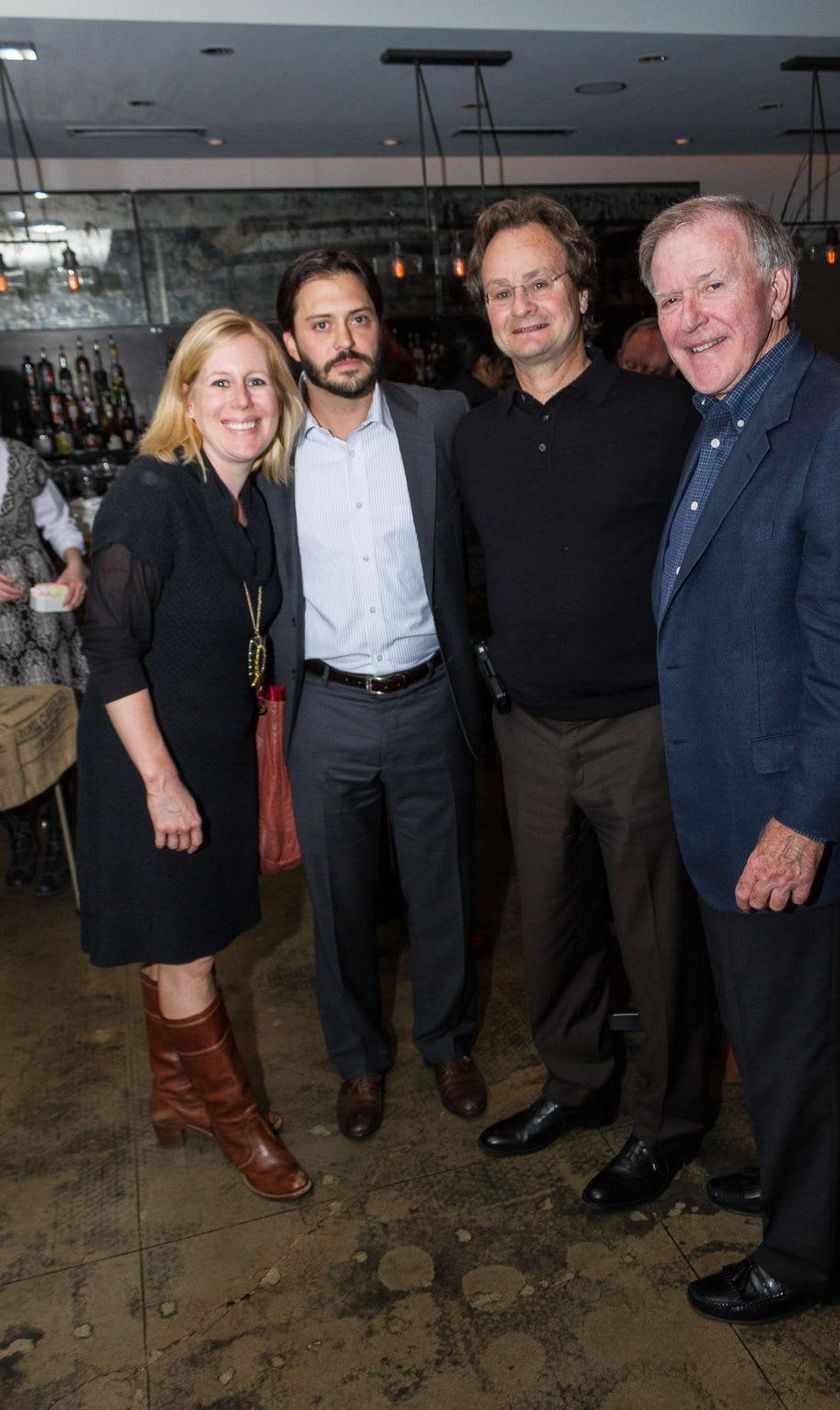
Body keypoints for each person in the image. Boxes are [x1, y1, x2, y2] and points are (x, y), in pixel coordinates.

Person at [638, 193, 840, 1323]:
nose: (687, 316)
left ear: (775, 288)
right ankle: (789, 1173)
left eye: (711, 286)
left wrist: (803, 819)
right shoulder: (721, 412)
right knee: (766, 1030)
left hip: (784, 809)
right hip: (726, 786)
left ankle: (806, 1255)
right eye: (668, 297)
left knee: (796, 1039)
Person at [454, 193, 713, 1211]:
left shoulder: (662, 416)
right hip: (526, 728)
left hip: (639, 725)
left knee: (656, 940)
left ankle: (668, 1120)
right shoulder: (473, 440)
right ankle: (576, 1086)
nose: (521, 307)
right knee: (551, 930)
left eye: (538, 283)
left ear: (579, 290)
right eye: (500, 291)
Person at [77, 308, 311, 1201]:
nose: (243, 400)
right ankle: (237, 1122)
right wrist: (162, 783)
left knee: (180, 939)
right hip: (151, 759)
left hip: (211, 749)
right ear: (186, 395)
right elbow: (108, 647)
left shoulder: (249, 496)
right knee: (192, 954)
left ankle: (177, 1095)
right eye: (221, 381)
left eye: (259, 381)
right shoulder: (153, 490)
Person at [267, 247, 486, 1141]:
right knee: (341, 903)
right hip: (327, 711)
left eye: (357, 318)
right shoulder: (270, 446)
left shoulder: (441, 419)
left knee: (447, 892)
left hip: (432, 694)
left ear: (379, 328)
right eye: (321, 323)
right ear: (292, 341)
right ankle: (358, 1065)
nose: (344, 339)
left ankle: (448, 1043)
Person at [1, 438, 88, 895]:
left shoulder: (19, 458)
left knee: (48, 725)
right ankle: (20, 840)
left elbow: (56, 522)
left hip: (38, 619)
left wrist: (74, 565)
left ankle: (57, 840)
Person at [438, 318, 507, 407]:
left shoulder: (439, 393)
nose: (502, 375)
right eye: (501, 363)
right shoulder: (487, 403)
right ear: (485, 361)